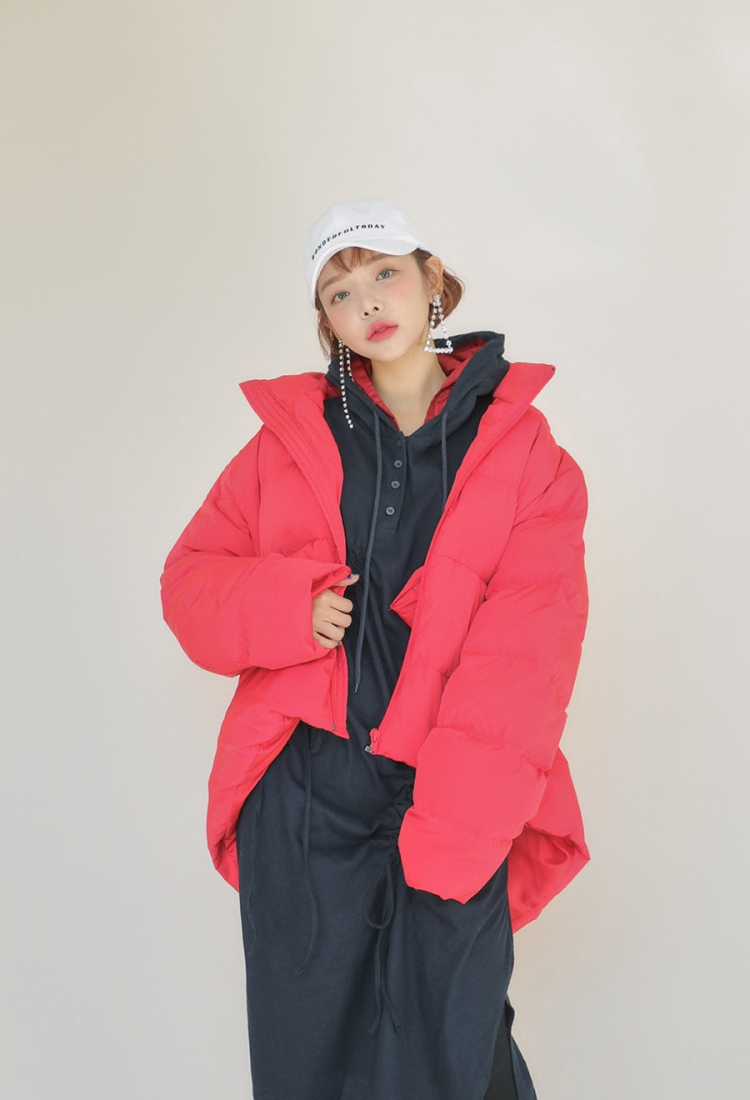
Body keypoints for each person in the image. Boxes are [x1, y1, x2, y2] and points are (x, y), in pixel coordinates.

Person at [160, 198, 590, 1100]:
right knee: (309, 1059)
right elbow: (190, 585)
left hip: (452, 782)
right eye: (339, 292)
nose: (368, 302)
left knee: (457, 1048)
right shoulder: (287, 443)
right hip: (307, 792)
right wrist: (287, 604)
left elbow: (530, 654)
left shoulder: (528, 453)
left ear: (432, 280)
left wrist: (460, 822)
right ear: (329, 323)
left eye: (384, 273)